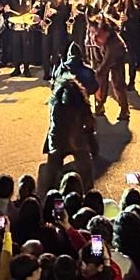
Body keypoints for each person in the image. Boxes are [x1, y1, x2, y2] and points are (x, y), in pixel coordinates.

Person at [40, 45, 97, 193]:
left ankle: (49, 193)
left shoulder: (60, 73)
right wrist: (90, 137)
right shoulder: (82, 95)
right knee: (86, 166)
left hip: (58, 136)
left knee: (52, 166)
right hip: (76, 137)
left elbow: (54, 121)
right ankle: (88, 192)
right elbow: (90, 121)